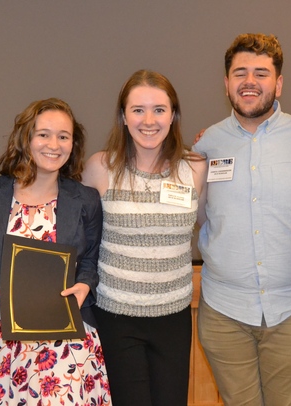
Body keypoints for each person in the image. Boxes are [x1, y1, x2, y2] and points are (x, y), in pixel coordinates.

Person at [192, 33, 291, 406]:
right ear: (226, 84)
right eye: (240, 73)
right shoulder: (206, 146)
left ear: (279, 82)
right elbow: (193, 216)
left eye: (261, 73)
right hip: (224, 312)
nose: (250, 82)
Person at [0, 98, 111, 406]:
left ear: (74, 143)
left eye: (64, 136)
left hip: (66, 339)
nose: (54, 144)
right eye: (43, 134)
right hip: (3, 338)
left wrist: (84, 284)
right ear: (26, 137)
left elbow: (90, 260)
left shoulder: (85, 199)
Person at [81, 69, 207, 406]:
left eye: (159, 109)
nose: (148, 120)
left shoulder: (195, 167)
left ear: (173, 115)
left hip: (174, 318)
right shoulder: (100, 167)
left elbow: (211, 222)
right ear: (123, 116)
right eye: (138, 110)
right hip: (116, 318)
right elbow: (79, 238)